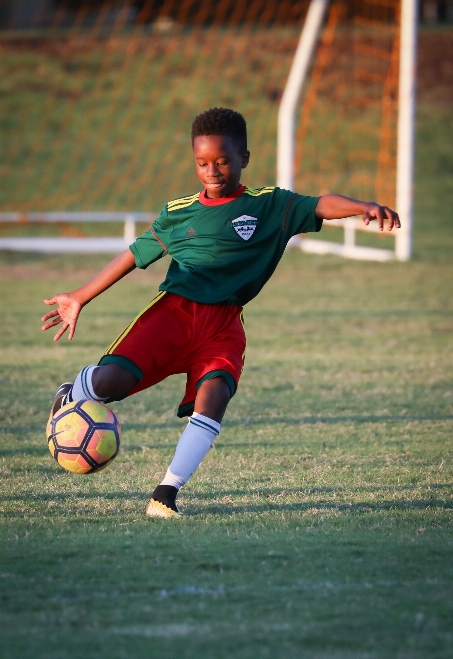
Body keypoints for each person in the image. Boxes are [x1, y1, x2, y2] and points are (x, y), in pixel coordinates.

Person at [42, 107, 400, 518]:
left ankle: (166, 494)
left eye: (223, 161)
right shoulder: (178, 212)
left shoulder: (270, 206)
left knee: (213, 399)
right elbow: (133, 256)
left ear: (244, 157)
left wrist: (361, 206)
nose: (212, 170)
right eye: (202, 163)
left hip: (223, 327)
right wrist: (80, 296)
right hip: (173, 315)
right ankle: (74, 392)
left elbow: (319, 204)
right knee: (112, 382)